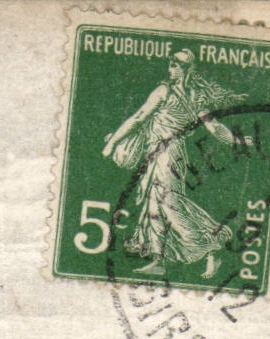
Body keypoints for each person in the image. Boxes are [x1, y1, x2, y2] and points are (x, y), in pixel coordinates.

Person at [101, 50, 253, 279]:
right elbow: (214, 127)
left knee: (169, 203)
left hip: (167, 155)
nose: (170, 69)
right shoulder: (193, 96)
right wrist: (236, 140)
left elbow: (139, 117)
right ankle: (158, 260)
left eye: (174, 66)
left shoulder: (167, 92)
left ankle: (212, 245)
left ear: (185, 69)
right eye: (170, 65)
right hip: (163, 154)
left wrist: (112, 143)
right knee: (155, 206)